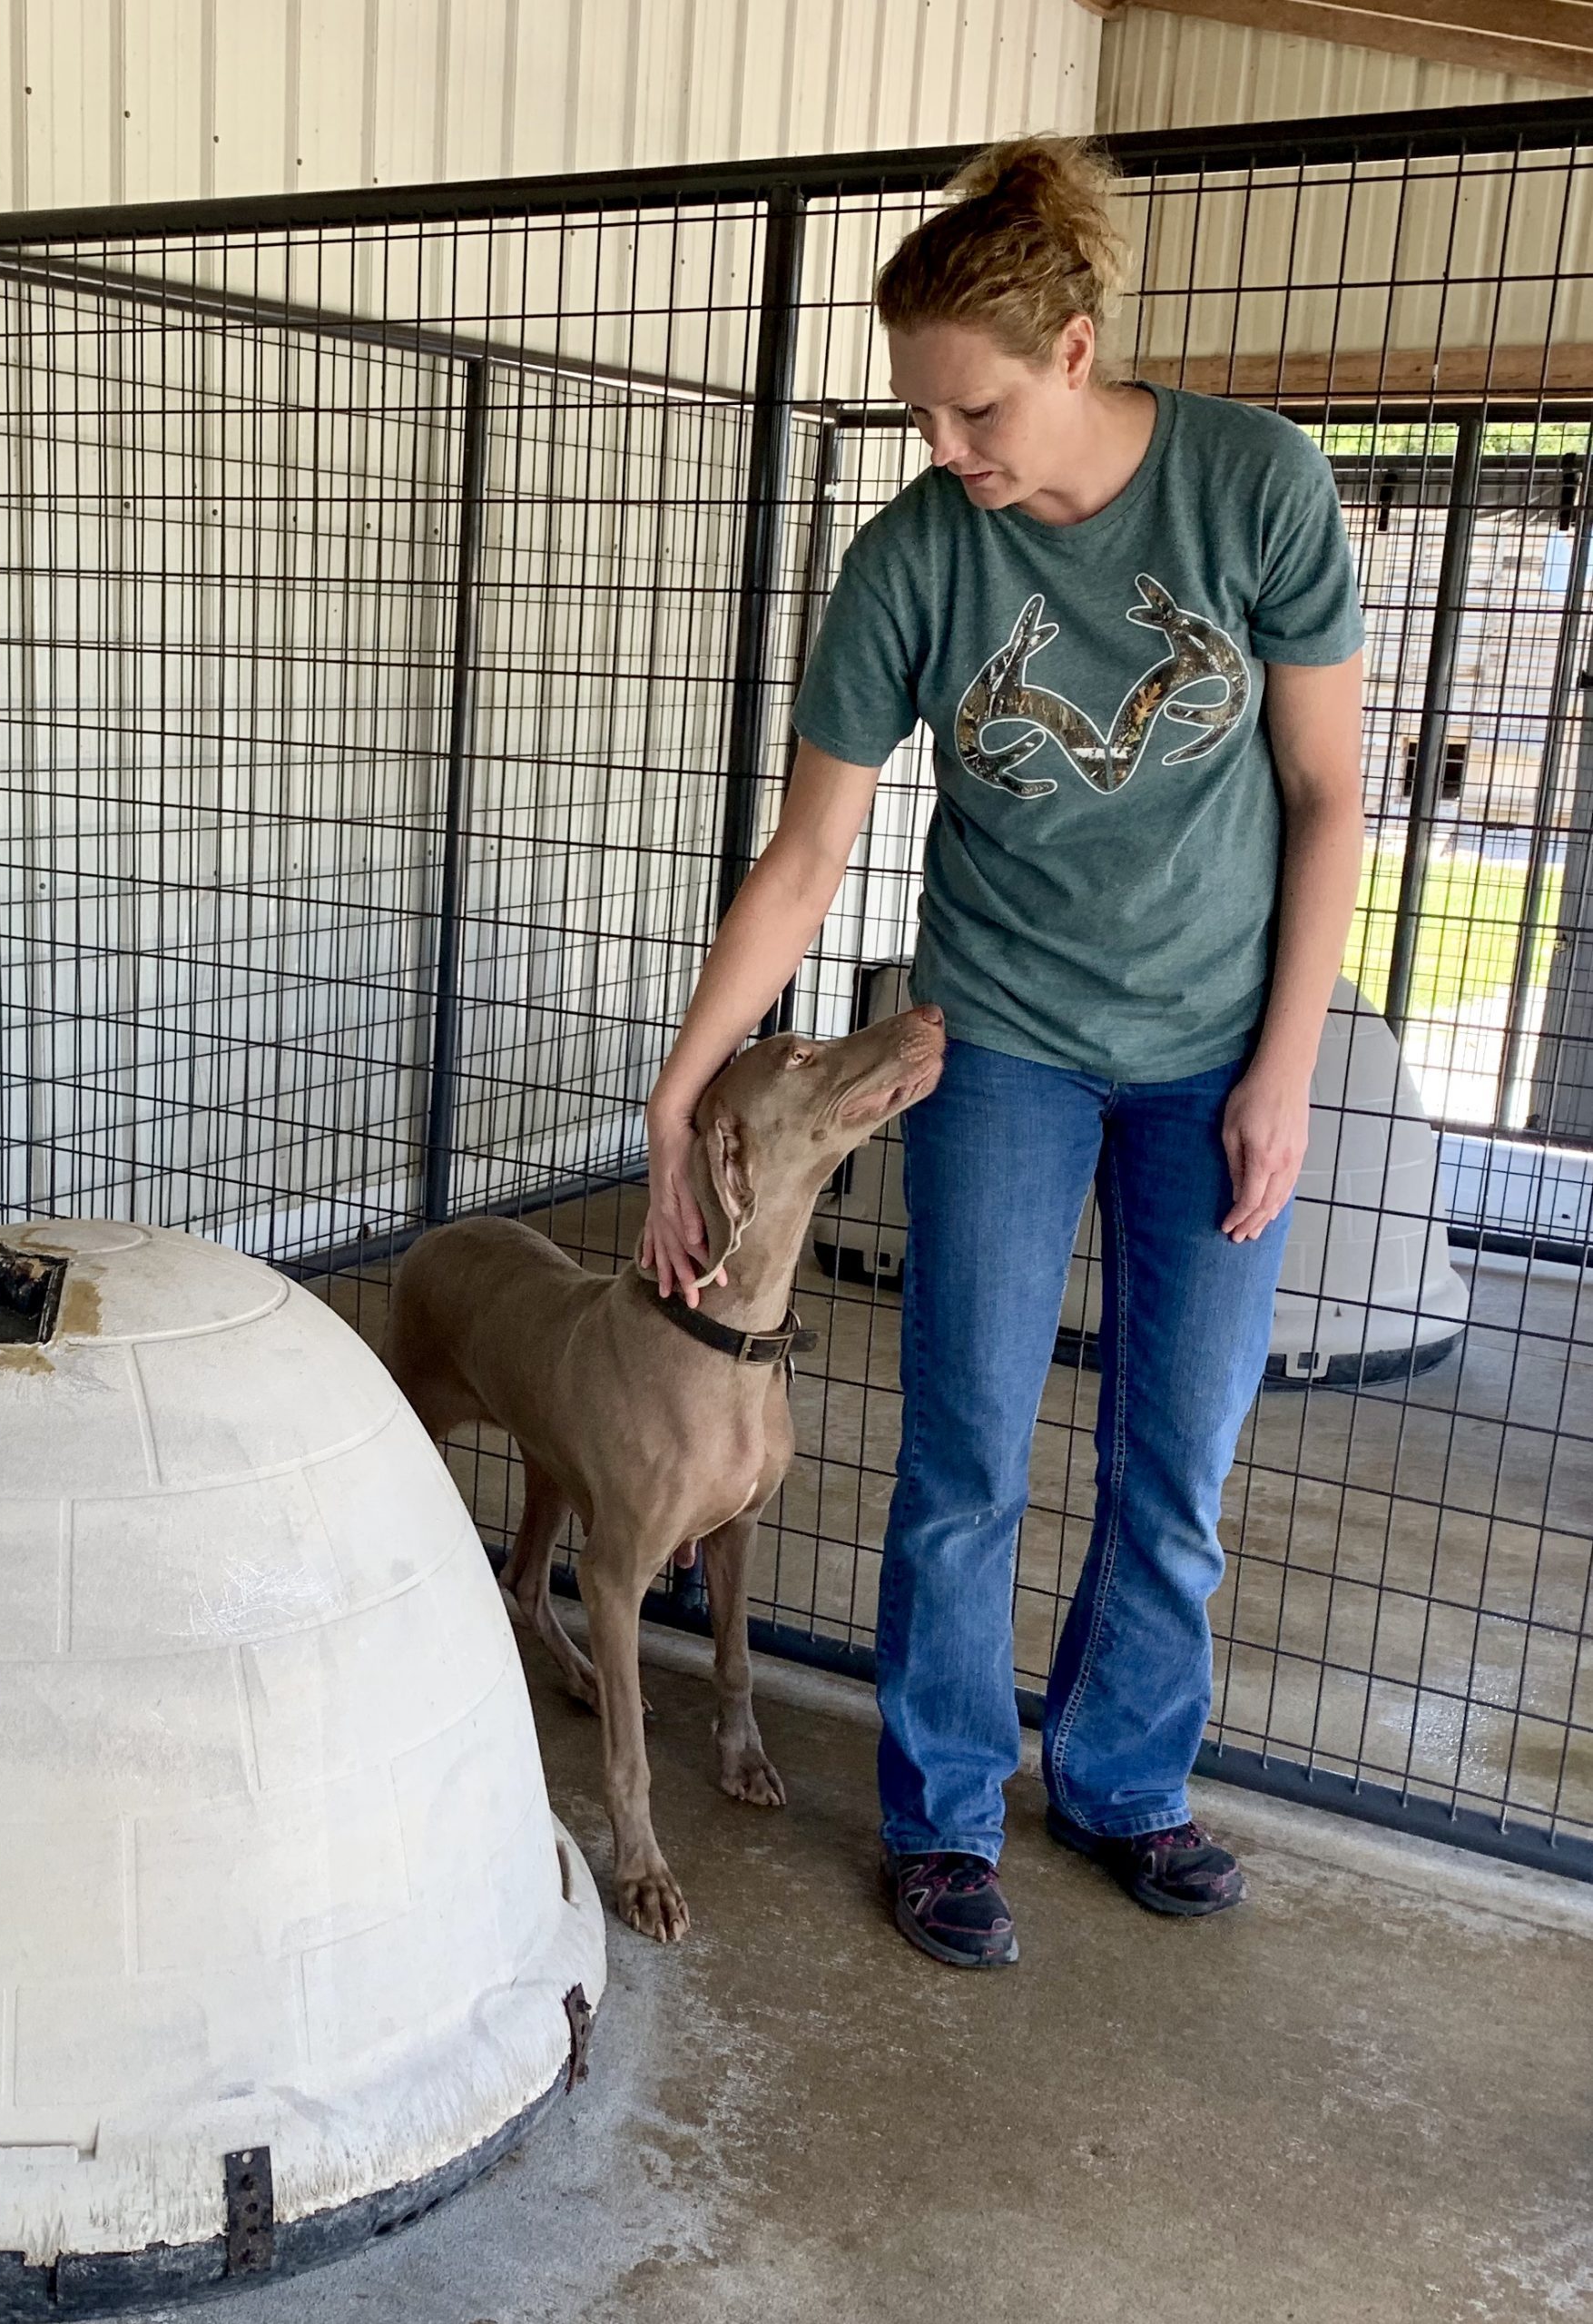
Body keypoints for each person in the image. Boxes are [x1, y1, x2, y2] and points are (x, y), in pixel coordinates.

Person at [638, 135, 1365, 1969]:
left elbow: (1328, 793)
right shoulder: (913, 559)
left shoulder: (1252, 487)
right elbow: (808, 857)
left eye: (969, 412)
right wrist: (677, 1082)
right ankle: (947, 1810)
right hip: (1010, 1034)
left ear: (1071, 352)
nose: (943, 452)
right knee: (963, 1444)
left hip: (1216, 1042)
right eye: (917, 419)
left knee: (1176, 1450)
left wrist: (1284, 1071)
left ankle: (1124, 1779)